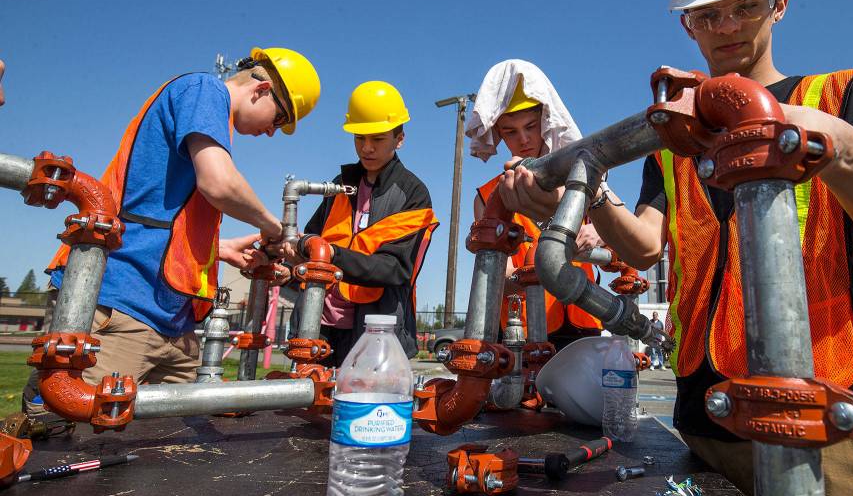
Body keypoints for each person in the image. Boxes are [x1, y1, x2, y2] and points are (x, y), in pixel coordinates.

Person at [497, 0, 853, 496]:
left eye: (745, 8)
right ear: (687, 26)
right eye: (707, 16)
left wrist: (838, 144)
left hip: (824, 412)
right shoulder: (676, 136)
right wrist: (591, 191)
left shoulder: (840, 96)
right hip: (709, 415)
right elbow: (647, 247)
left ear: (779, 3)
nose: (726, 28)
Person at [33, 48, 321, 392]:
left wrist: (221, 248)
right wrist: (276, 229)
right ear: (260, 91)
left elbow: (159, 212)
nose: (273, 132)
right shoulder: (203, 90)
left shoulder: (206, 117)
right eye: (278, 119)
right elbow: (218, 182)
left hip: (171, 325)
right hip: (121, 305)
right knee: (71, 430)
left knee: (173, 440)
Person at [296, 81, 438, 363]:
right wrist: (298, 247)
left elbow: (395, 268)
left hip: (375, 329)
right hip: (319, 326)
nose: (367, 148)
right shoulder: (340, 185)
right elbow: (312, 237)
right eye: (360, 138)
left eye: (378, 139)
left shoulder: (412, 193)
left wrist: (334, 255)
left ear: (400, 138)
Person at [466, 60, 603, 351]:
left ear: (547, 121)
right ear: (498, 134)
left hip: (583, 320)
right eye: (511, 131)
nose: (524, 139)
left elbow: (621, 243)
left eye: (530, 126)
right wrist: (538, 271)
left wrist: (599, 235)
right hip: (521, 332)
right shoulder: (488, 196)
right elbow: (495, 278)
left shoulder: (583, 182)